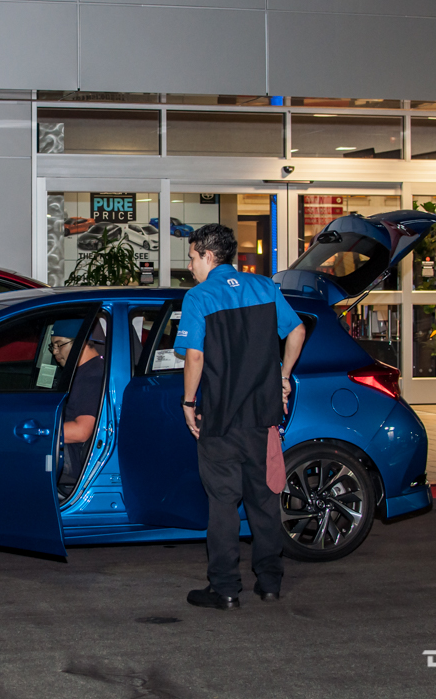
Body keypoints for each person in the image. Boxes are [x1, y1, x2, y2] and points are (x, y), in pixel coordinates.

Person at [175, 223, 306, 610]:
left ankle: (225, 588)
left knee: (223, 505)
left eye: (192, 257)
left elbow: (194, 356)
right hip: (263, 419)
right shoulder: (264, 288)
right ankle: (269, 583)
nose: (190, 265)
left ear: (207, 255)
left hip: (220, 419)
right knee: (264, 503)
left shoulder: (199, 297)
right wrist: (283, 376)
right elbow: (296, 331)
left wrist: (187, 402)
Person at [50, 319, 105, 493]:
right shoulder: (83, 372)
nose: (55, 352)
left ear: (81, 342)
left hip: (72, 471)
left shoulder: (91, 377)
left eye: (60, 345)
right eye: (53, 347)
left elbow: (82, 431)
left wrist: (40, 431)